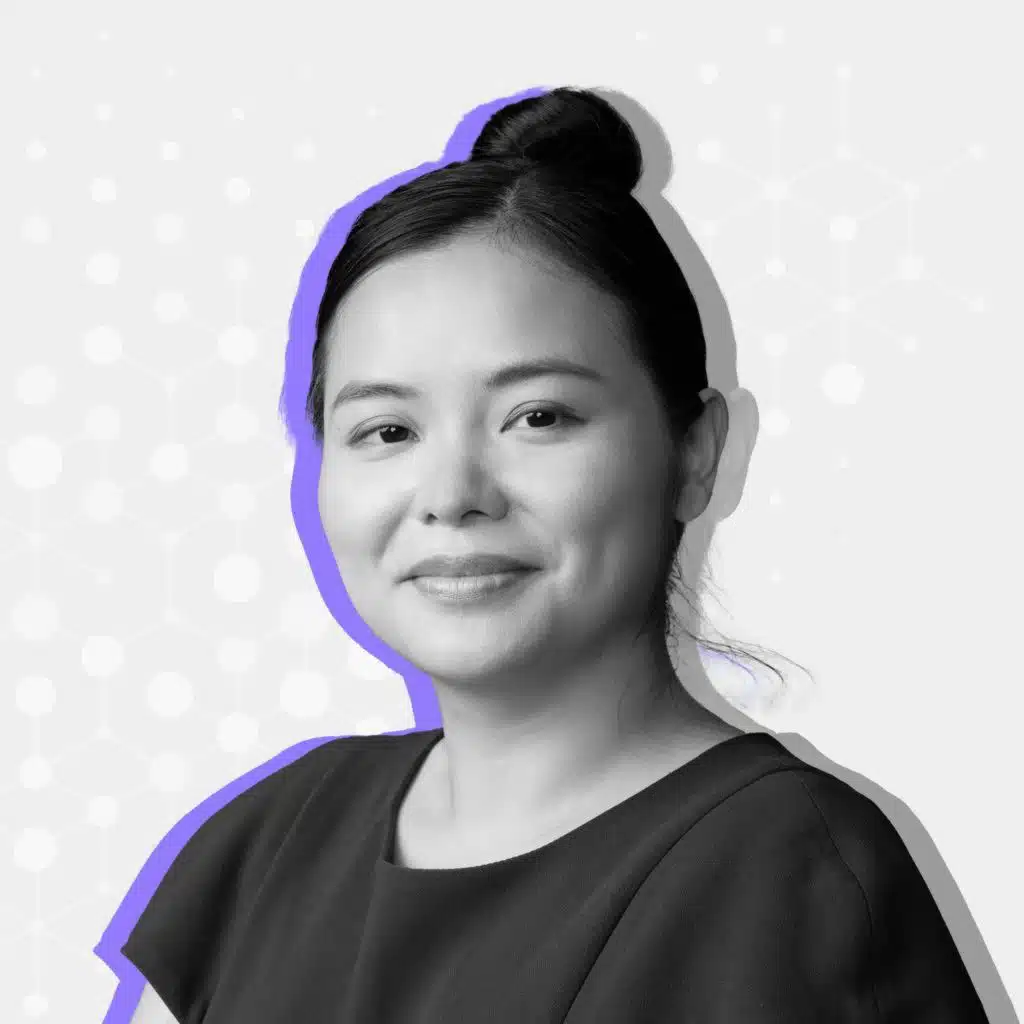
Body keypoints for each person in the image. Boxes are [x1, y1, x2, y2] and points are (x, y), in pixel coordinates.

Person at [120, 87, 990, 1022]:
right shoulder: (274, 837)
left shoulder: (785, 872)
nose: (452, 495)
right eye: (387, 430)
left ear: (696, 452)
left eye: (538, 416)